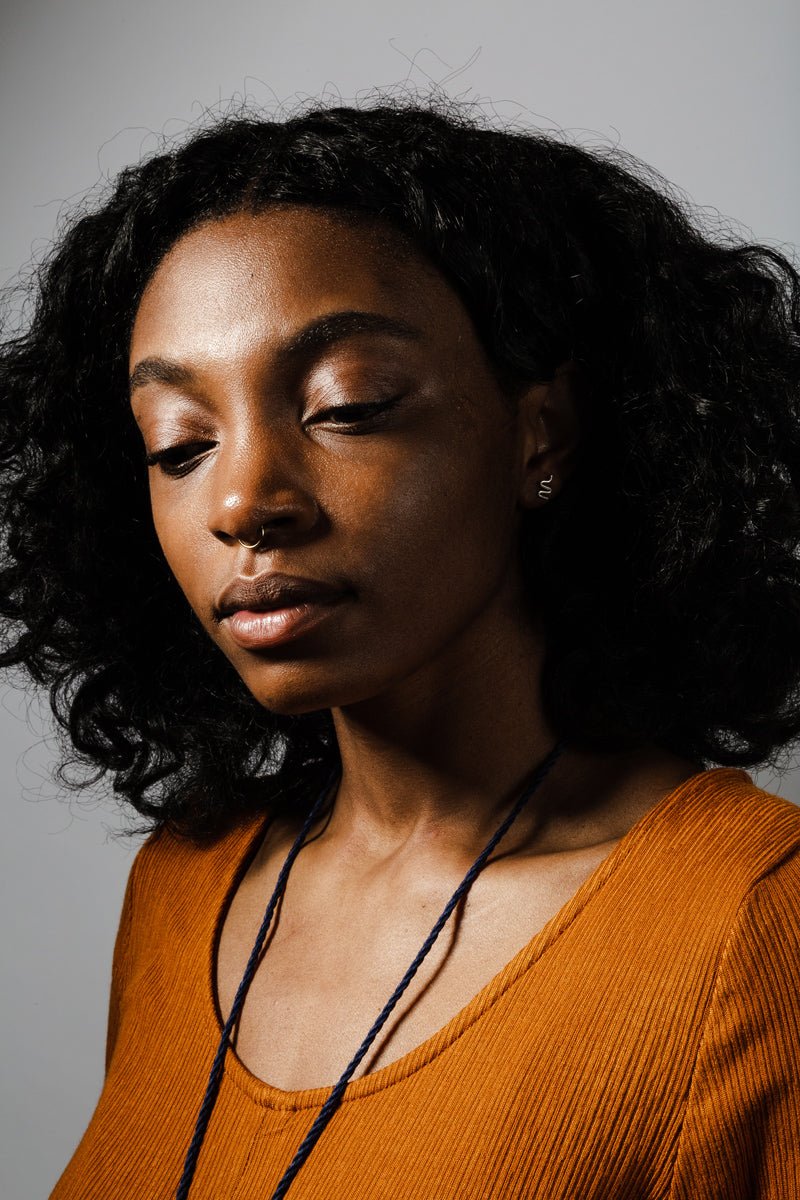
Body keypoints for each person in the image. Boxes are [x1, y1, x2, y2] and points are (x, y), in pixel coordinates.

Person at [1, 97, 799, 1199]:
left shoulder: (753, 925)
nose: (240, 502)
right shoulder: (184, 889)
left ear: (542, 432)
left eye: (346, 406)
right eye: (179, 445)